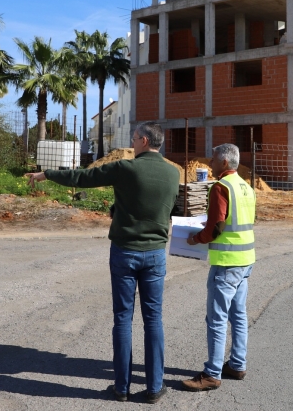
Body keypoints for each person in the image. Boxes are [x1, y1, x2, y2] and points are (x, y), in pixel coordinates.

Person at [26, 122, 179, 404]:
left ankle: (121, 387)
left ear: (144, 141)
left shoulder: (125, 168)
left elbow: (82, 178)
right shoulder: (173, 172)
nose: (132, 144)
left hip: (125, 251)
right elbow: (172, 208)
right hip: (156, 253)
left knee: (123, 318)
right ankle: (155, 388)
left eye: (134, 139)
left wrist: (46, 173)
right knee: (153, 319)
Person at [181, 143, 256, 392]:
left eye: (213, 159)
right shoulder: (246, 187)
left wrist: (194, 239)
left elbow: (216, 227)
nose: (209, 163)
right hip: (245, 260)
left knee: (216, 319)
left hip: (226, 264)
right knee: (238, 315)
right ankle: (237, 364)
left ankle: (212, 374)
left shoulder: (221, 187)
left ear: (224, 162)